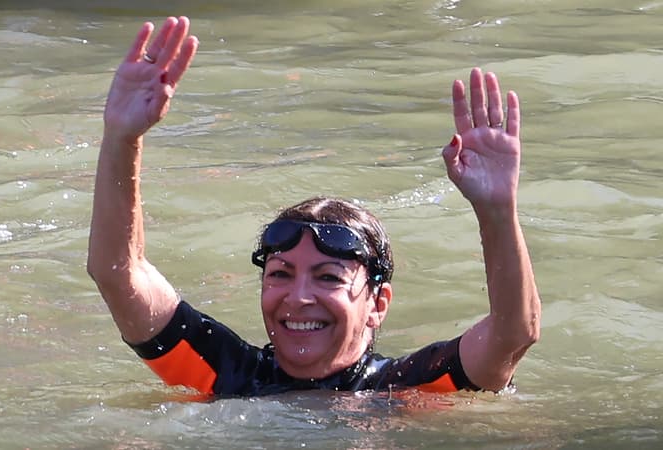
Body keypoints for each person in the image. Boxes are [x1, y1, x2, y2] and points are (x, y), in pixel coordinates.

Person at [87, 16, 541, 397]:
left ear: (378, 303)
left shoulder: (408, 390)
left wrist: (497, 210)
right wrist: (123, 138)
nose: (298, 298)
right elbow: (117, 271)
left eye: (327, 278)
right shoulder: (226, 374)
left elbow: (513, 334)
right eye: (280, 274)